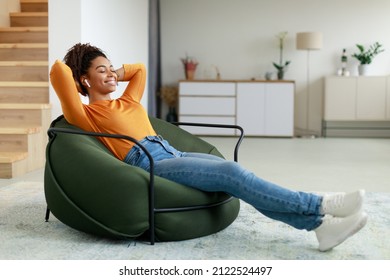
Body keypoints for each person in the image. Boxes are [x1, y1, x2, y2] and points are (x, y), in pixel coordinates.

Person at [50, 43, 367, 252]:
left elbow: (140, 70)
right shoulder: (86, 115)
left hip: (172, 152)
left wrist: (114, 71)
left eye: (111, 69)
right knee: (231, 172)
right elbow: (58, 73)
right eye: (100, 71)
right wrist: (79, 66)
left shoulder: (128, 100)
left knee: (240, 178)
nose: (111, 75)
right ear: (84, 81)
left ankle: (319, 227)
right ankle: (321, 203)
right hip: (148, 162)